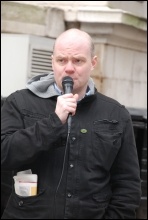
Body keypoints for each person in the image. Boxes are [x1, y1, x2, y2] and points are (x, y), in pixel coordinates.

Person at [1, 28, 141, 219]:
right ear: (52, 62)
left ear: (93, 63)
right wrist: (53, 121)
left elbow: (128, 184)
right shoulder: (20, 102)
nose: (68, 68)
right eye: (61, 60)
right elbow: (4, 154)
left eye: (78, 60)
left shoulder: (116, 114)